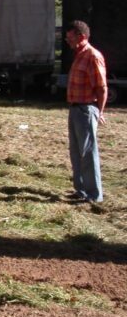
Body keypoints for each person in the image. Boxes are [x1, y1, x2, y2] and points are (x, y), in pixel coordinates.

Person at [65, 20, 107, 203]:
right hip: (75, 108)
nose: (67, 40)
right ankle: (81, 190)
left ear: (81, 37)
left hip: (86, 109)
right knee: (76, 152)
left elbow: (101, 87)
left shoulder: (92, 56)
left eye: (70, 37)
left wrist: (100, 112)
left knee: (88, 153)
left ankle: (94, 195)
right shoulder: (79, 55)